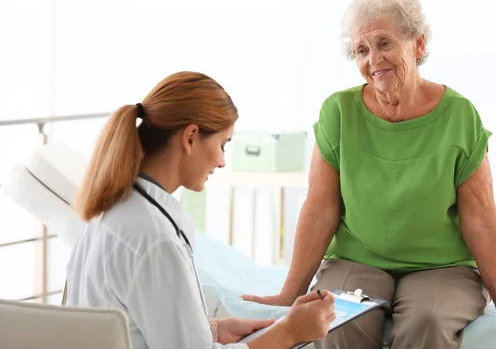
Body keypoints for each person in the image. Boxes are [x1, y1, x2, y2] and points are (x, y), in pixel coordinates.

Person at [242, 0, 496, 348]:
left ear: (417, 45)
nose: (373, 59)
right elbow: (319, 210)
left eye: (385, 43)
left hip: (443, 268)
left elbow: (481, 218)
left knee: (428, 321)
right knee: (337, 321)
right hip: (358, 261)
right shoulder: (338, 112)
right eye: (361, 50)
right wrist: (288, 294)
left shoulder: (459, 116)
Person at [66, 71, 336, 349]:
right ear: (191, 137)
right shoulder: (156, 239)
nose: (221, 162)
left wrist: (212, 331)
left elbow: (139, 324)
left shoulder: (111, 213)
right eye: (222, 144)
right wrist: (289, 332)